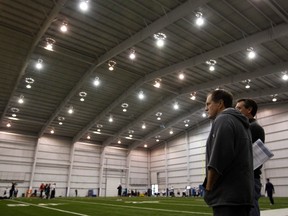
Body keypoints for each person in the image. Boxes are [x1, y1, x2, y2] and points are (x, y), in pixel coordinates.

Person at [203, 89, 254, 216]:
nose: (205, 108)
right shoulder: (241, 123)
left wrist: (209, 188)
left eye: (208, 104)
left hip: (227, 197)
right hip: (242, 196)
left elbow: (218, 159)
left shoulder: (223, 119)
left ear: (220, 104)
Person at [236, 98, 265, 216]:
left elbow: (248, 155)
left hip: (250, 178)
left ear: (249, 110)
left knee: (250, 208)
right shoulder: (248, 127)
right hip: (248, 177)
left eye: (239, 108)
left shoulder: (253, 128)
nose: (236, 111)